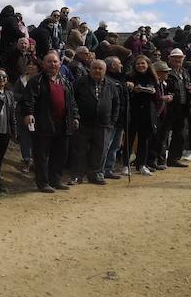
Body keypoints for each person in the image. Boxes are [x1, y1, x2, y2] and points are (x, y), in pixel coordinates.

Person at [21, 50, 79, 193]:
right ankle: (43, 183)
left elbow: (72, 102)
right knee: (41, 155)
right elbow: (28, 100)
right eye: (49, 62)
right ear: (44, 64)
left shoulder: (65, 81)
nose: (52, 64)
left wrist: (75, 116)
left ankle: (56, 180)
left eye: (55, 62)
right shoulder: (36, 81)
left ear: (60, 63)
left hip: (63, 124)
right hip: (43, 123)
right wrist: (28, 113)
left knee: (60, 154)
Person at [69, 59, 118, 185]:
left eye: (100, 69)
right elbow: (72, 100)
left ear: (105, 71)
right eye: (94, 68)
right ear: (89, 69)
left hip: (103, 125)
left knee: (100, 151)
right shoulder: (80, 82)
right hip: (83, 123)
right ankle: (76, 176)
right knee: (79, 151)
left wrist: (112, 122)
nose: (97, 71)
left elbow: (116, 104)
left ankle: (95, 175)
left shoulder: (111, 85)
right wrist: (75, 117)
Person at [127, 54, 160, 175]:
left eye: (143, 63)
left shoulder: (153, 77)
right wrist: (132, 89)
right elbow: (125, 93)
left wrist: (154, 91)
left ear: (148, 64)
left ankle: (142, 164)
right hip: (133, 110)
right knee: (130, 137)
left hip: (148, 111)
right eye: (138, 64)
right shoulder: (129, 77)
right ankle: (126, 164)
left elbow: (156, 96)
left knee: (144, 139)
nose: (140, 66)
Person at [12, 57, 42, 174]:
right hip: (21, 112)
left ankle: (35, 160)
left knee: (36, 137)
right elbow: (15, 93)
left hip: (36, 113)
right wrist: (25, 98)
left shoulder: (41, 80)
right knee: (24, 137)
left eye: (33, 65)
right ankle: (26, 159)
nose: (30, 66)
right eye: (29, 64)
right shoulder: (21, 79)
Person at [102, 56, 129, 179]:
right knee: (106, 145)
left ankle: (109, 169)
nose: (121, 66)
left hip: (121, 119)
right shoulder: (106, 80)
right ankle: (100, 170)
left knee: (115, 146)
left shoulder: (121, 79)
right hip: (111, 119)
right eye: (119, 64)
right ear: (112, 65)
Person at [147, 61, 174, 170]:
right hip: (153, 114)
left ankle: (154, 160)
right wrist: (163, 98)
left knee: (159, 139)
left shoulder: (163, 83)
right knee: (152, 139)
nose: (167, 74)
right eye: (165, 72)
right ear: (158, 72)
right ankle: (149, 161)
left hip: (162, 114)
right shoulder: (153, 83)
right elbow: (153, 97)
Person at [164, 48, 190, 167]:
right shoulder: (166, 72)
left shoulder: (185, 72)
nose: (177, 60)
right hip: (168, 107)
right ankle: (159, 159)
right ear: (170, 59)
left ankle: (173, 159)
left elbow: (186, 87)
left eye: (179, 58)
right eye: (175, 58)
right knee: (164, 134)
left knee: (179, 134)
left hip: (182, 107)